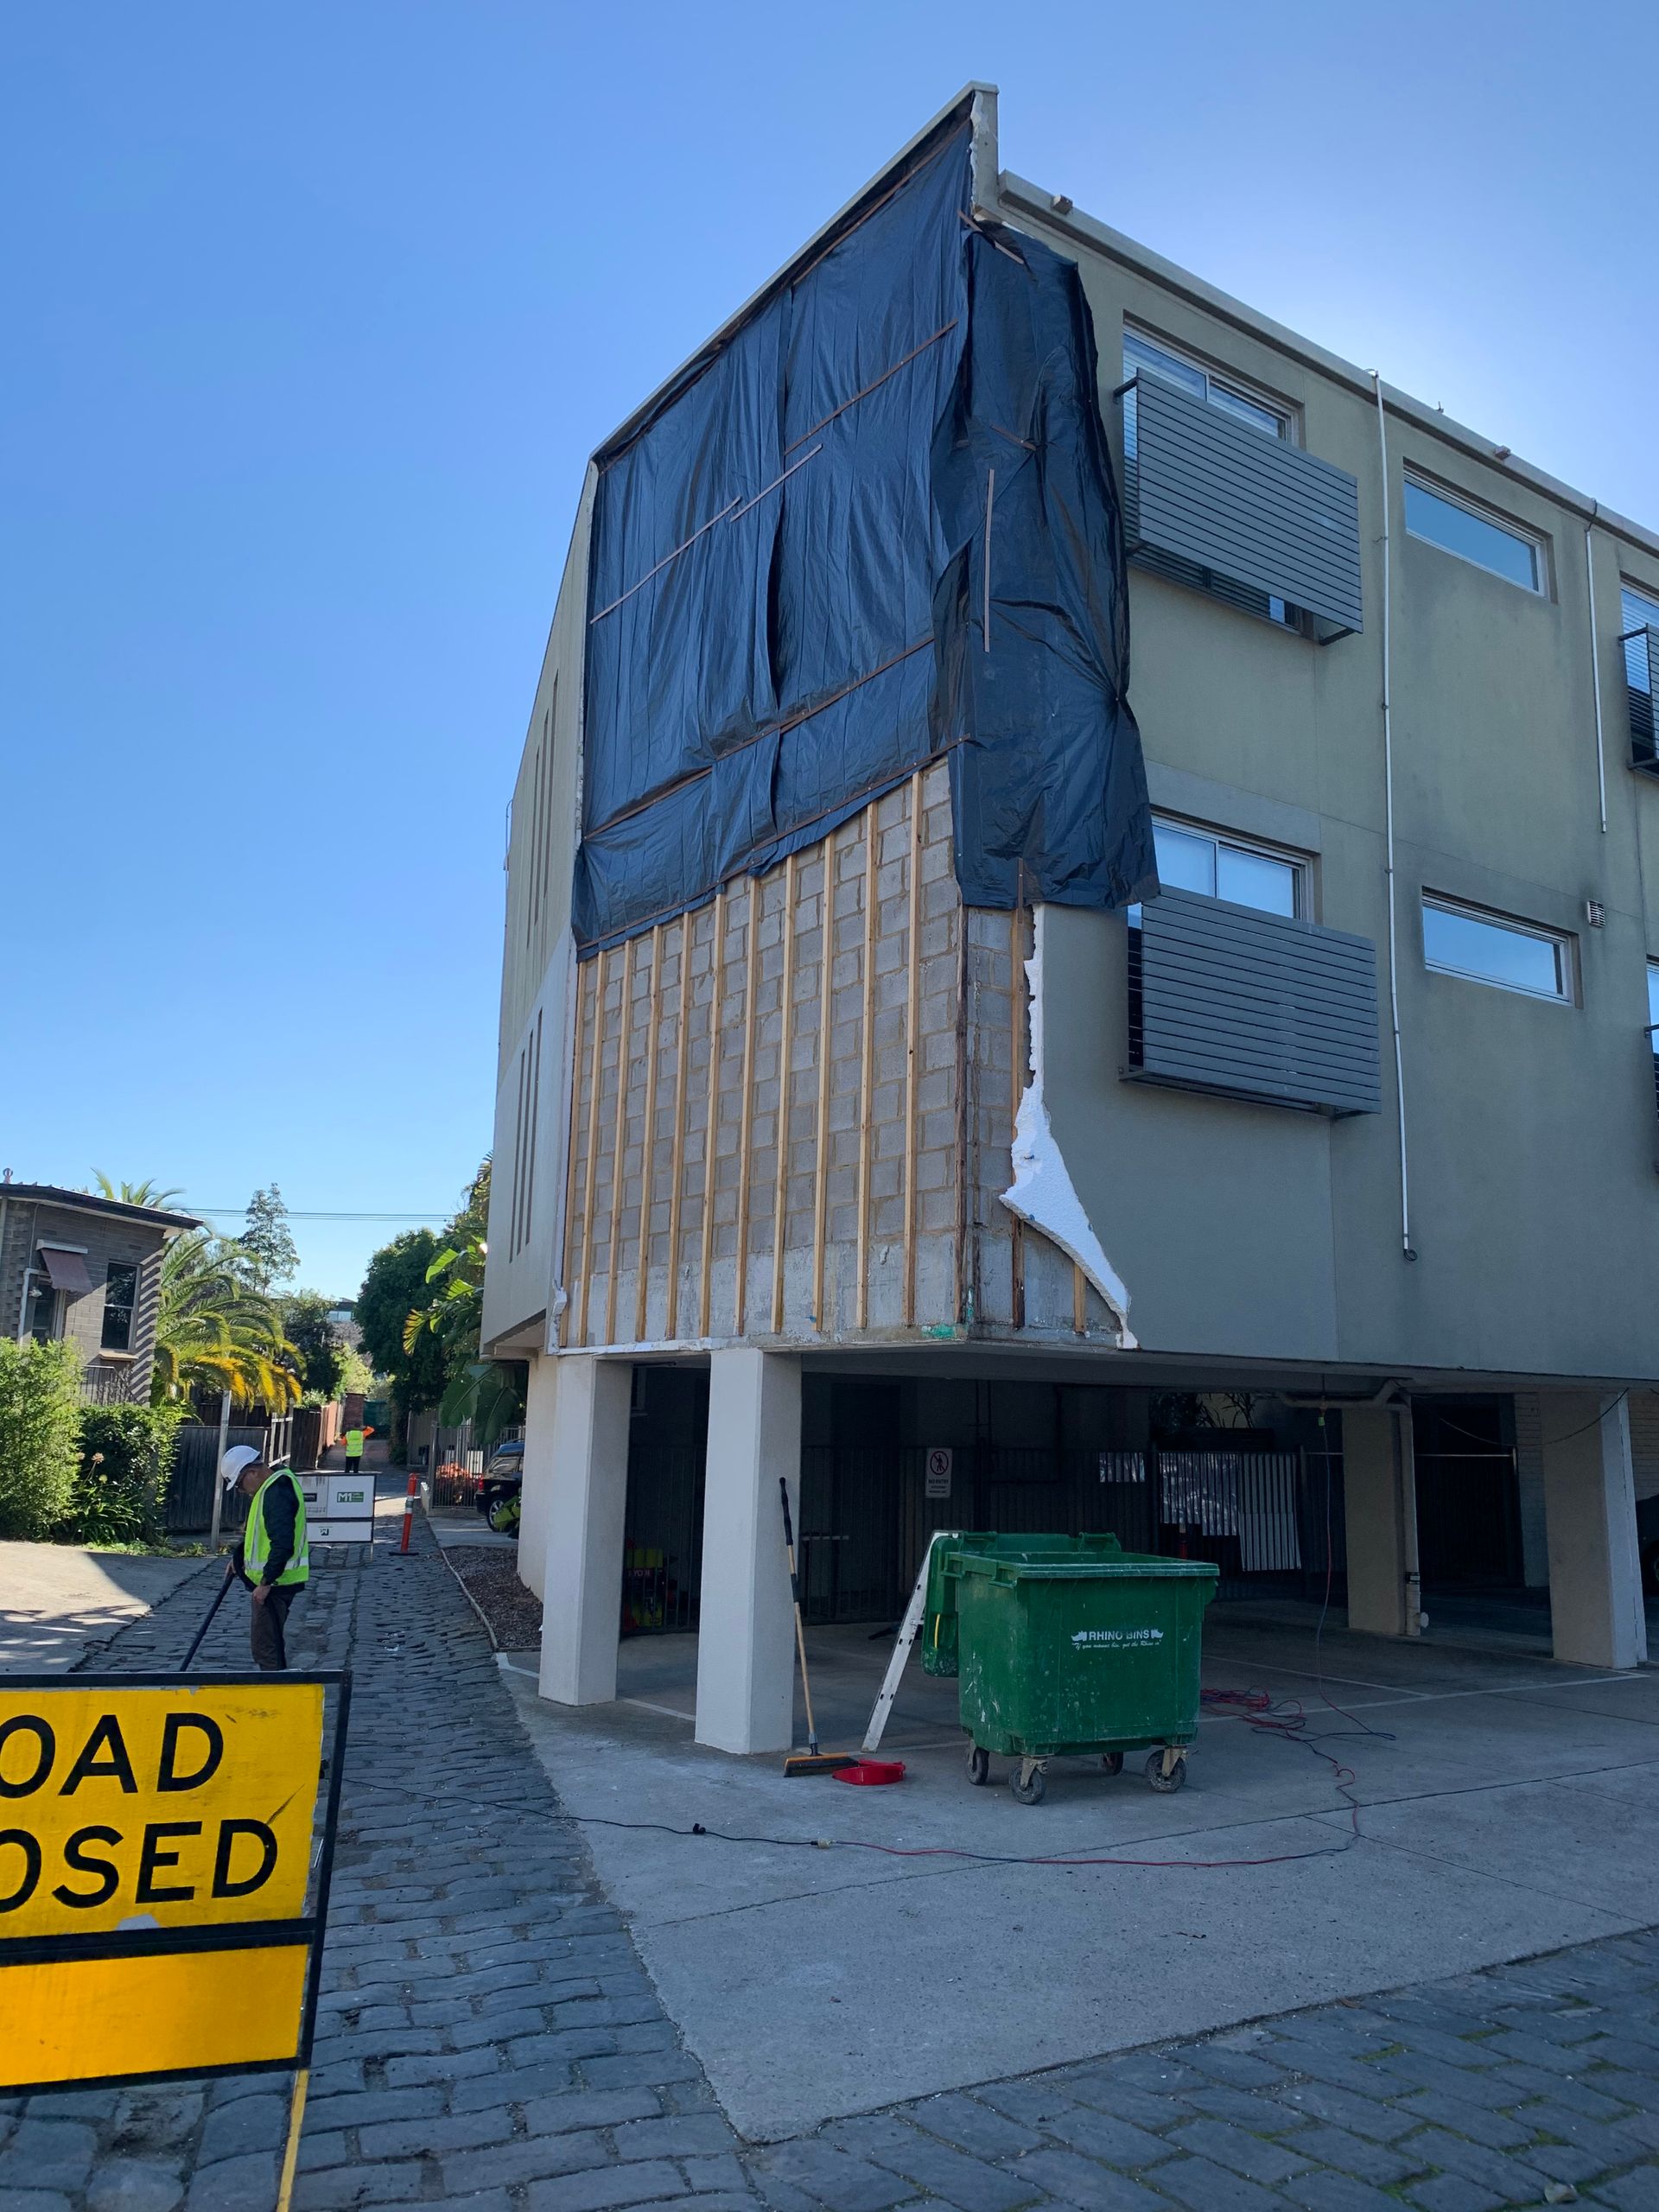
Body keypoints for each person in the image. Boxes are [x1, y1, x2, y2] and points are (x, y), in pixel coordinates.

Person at [220, 1445, 309, 1671]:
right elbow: (259, 1536)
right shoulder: (273, 1486)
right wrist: (239, 1559)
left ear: (253, 1472)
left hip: (276, 1584)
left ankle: (276, 1693)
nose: (241, 1491)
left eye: (240, 1484)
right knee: (267, 1645)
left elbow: (282, 1542)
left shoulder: (276, 1491)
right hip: (276, 1581)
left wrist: (266, 1582)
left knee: (266, 1648)